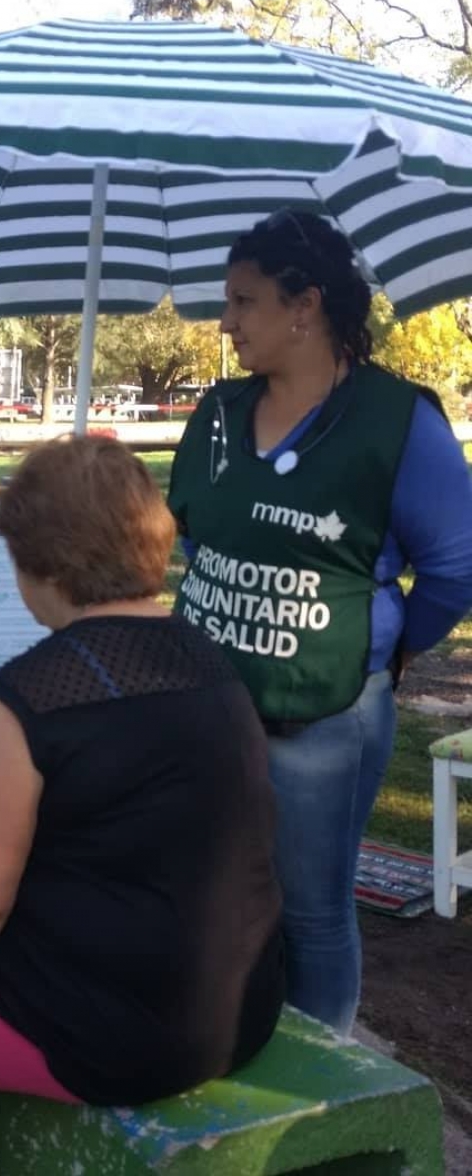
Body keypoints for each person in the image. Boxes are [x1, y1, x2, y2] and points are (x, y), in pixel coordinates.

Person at [0, 436, 284, 1176]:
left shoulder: (31, 695)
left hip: (118, 1032)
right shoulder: (212, 660)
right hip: (245, 1003)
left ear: (43, 564)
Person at [167, 208, 472, 1037]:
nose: (225, 321)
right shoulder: (221, 413)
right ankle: (237, 1039)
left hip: (325, 718)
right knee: (219, 887)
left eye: (243, 301)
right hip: (211, 702)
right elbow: (192, 530)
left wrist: (393, 645)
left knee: (311, 910)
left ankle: (321, 1086)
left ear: (304, 306)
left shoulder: (394, 420)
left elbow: (456, 564)